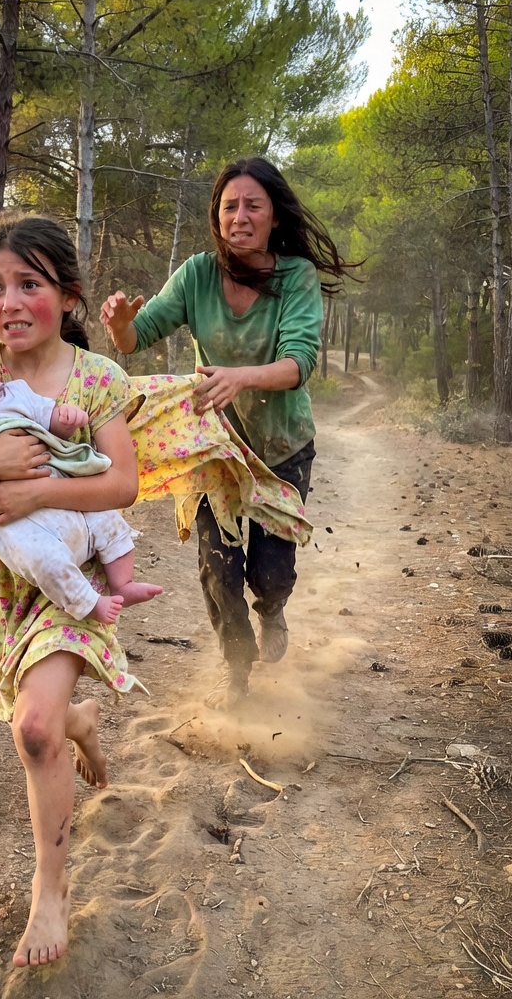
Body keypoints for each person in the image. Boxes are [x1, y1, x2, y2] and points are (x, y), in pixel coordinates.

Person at [0, 212, 147, 969]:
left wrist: (37, 491)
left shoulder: (96, 380)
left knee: (32, 731)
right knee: (39, 719)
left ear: (68, 294)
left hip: (69, 573)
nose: (9, 302)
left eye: (28, 284)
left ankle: (51, 891)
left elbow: (123, 483)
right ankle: (80, 721)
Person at [100, 156, 353, 710]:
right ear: (216, 217)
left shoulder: (295, 277)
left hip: (282, 448)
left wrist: (240, 376)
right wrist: (120, 325)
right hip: (213, 451)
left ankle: (273, 608)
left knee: (270, 571)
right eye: (229, 207)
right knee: (219, 569)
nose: (240, 217)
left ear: (274, 217)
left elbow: (300, 362)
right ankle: (236, 673)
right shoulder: (197, 274)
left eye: (252, 206)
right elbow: (137, 336)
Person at [0, 328, 162, 625]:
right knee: (44, 559)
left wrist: (65, 421)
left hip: (65, 499)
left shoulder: (14, 395)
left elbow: (49, 418)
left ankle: (123, 583)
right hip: (18, 524)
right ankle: (87, 603)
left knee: (108, 520)